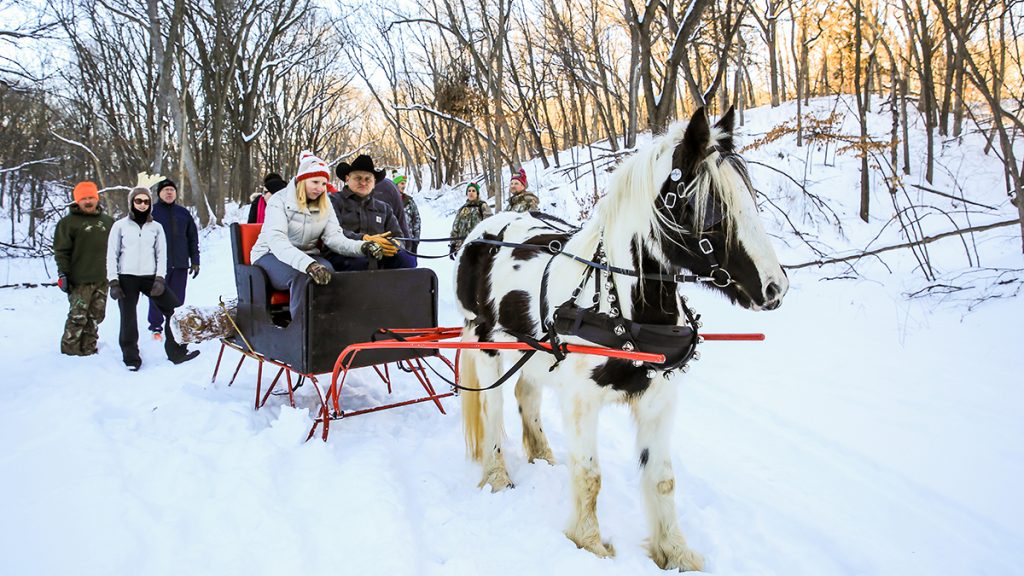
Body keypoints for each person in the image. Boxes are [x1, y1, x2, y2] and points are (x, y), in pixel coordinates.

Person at [249, 151, 385, 322]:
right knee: (302, 276)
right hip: (270, 255)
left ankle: (331, 322)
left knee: (331, 274)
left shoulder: (324, 203)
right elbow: (277, 241)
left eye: (323, 183)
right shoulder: (279, 201)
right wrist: (308, 265)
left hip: (308, 255)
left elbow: (334, 238)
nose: (320, 188)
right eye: (314, 182)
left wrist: (362, 247)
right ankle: (301, 328)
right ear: (301, 180)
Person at [107, 177, 199, 370]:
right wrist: (113, 281)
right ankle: (131, 358)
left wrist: (159, 278)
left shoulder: (156, 227)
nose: (142, 204)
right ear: (132, 202)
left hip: (150, 277)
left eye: (145, 201)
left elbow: (161, 253)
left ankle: (176, 352)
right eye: (138, 201)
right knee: (128, 318)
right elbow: (111, 255)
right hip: (127, 277)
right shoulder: (120, 226)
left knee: (174, 310)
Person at [53, 181, 115, 356]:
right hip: (79, 280)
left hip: (102, 279)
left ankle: (89, 349)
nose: (88, 201)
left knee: (96, 317)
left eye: (91, 197)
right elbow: (61, 251)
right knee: (78, 317)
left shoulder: (108, 221)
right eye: (84, 198)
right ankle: (70, 353)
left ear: (97, 198)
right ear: (77, 201)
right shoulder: (68, 223)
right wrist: (63, 273)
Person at [329, 154, 416, 271]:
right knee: (362, 263)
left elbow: (398, 236)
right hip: (344, 255)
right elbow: (332, 234)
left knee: (408, 260)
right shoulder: (333, 201)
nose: (363, 183)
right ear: (347, 179)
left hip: (380, 255)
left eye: (367, 179)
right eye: (358, 178)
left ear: (374, 182)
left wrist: (394, 244)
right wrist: (365, 240)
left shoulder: (384, 208)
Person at [147, 178, 200, 340]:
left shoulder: (183, 213)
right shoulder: (151, 213)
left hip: (180, 263)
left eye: (172, 190)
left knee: (178, 297)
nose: (169, 192)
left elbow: (192, 238)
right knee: (156, 295)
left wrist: (195, 260)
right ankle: (156, 327)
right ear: (159, 194)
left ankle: (175, 324)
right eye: (165, 190)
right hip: (158, 265)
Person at [449, 182, 493, 256]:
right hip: (461, 248)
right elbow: (455, 228)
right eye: (469, 191)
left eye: (473, 191)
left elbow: (490, 226)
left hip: (478, 248)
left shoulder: (482, 206)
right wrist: (453, 245)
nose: (471, 193)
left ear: (477, 193)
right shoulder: (462, 209)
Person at [394, 175, 421, 253]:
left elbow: (416, 220)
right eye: (402, 183)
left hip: (410, 240)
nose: (404, 186)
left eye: (404, 184)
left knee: (411, 263)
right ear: (395, 185)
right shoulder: (390, 201)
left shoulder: (410, 201)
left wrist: (416, 239)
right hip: (395, 243)